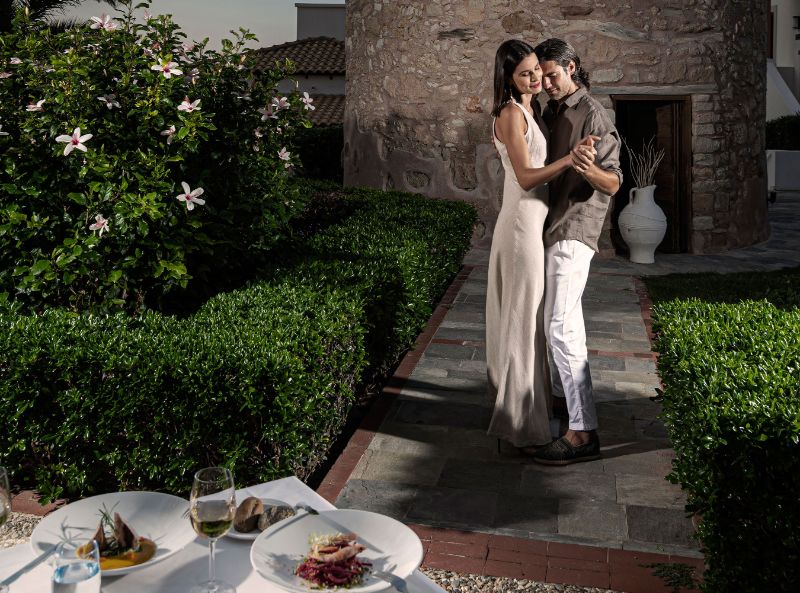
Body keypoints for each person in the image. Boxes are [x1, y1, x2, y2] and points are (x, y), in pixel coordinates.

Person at [486, 39, 597, 453]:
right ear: (508, 79)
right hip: (520, 227)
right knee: (521, 323)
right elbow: (526, 177)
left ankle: (530, 412)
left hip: (536, 226)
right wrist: (570, 160)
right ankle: (518, 425)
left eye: (536, 69)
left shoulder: (534, 110)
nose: (536, 78)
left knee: (530, 322)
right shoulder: (510, 114)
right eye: (525, 74)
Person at [530, 38, 623, 465]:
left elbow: (614, 182)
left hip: (575, 229)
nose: (546, 83)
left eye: (552, 75)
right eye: (542, 76)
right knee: (555, 322)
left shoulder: (593, 114)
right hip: (550, 226)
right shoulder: (551, 110)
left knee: (562, 327)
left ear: (571, 68)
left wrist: (589, 169)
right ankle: (562, 401)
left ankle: (583, 433)